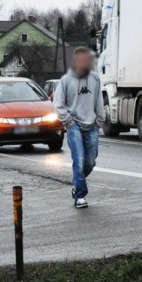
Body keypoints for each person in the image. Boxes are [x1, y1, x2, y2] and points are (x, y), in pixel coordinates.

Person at [52, 47, 104, 209]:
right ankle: (80, 196)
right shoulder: (66, 80)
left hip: (91, 125)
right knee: (79, 159)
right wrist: (68, 121)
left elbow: (99, 101)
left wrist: (99, 122)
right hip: (74, 125)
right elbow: (57, 104)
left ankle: (77, 183)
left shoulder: (95, 79)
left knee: (90, 161)